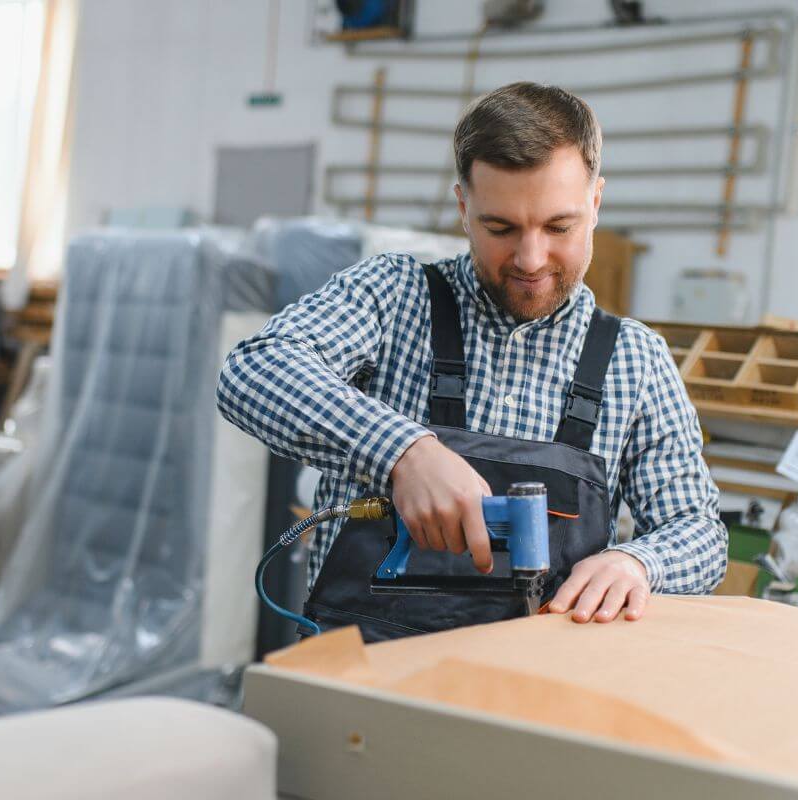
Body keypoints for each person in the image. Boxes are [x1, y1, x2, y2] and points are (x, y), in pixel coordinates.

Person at [218, 81, 726, 642]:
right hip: (361, 673)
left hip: (534, 680)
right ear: (464, 208)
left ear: (596, 203)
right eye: (501, 228)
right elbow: (254, 371)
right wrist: (402, 453)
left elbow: (699, 531)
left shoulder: (636, 360)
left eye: (559, 227)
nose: (531, 259)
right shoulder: (395, 295)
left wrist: (637, 563)